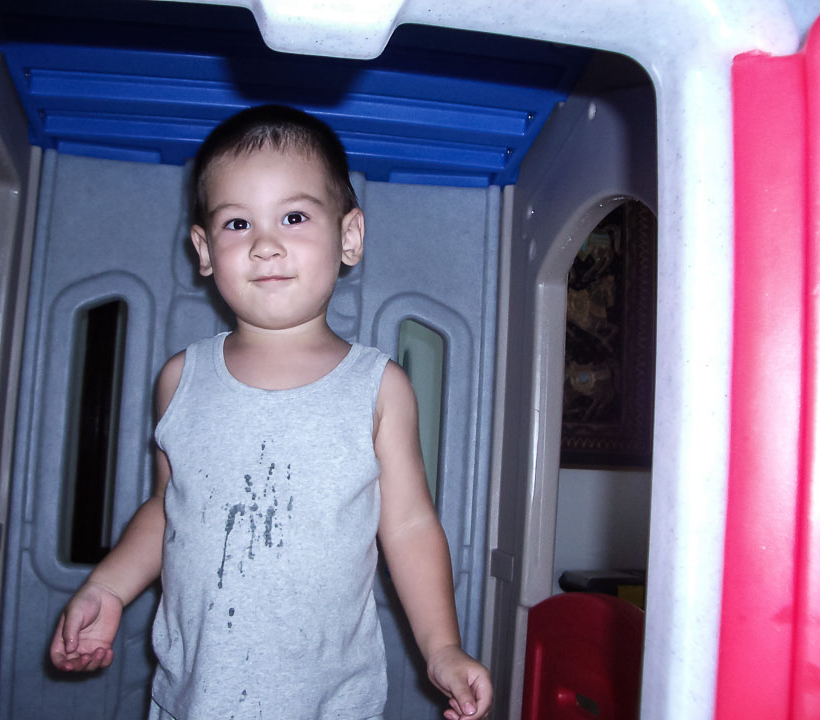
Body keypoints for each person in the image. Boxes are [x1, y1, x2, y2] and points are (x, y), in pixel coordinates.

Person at [49, 105, 493, 720]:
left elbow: (410, 526)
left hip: (329, 705)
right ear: (204, 250)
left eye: (294, 217)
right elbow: (166, 508)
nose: (265, 244)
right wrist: (107, 587)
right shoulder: (181, 379)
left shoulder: (378, 388)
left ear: (349, 236)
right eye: (237, 223)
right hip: (193, 700)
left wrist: (442, 647)